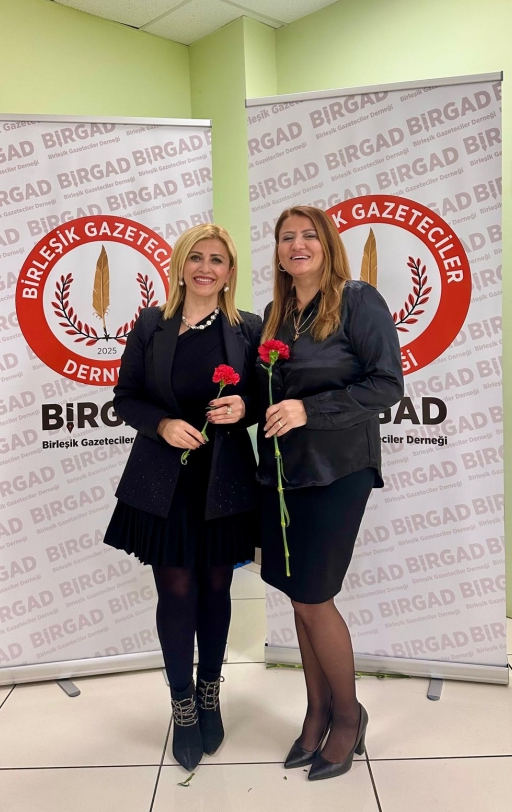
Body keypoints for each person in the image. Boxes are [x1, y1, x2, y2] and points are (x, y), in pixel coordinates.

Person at [105, 224, 262, 771]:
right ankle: (183, 706)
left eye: (217, 259)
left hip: (225, 480)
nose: (205, 268)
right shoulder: (151, 324)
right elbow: (126, 397)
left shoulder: (249, 328)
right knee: (175, 591)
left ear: (230, 271)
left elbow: (266, 396)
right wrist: (163, 424)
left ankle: (210, 691)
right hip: (162, 479)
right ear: (180, 265)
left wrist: (245, 407)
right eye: (196, 257)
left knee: (217, 588)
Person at [257, 205, 404, 781]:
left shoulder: (358, 300)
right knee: (299, 598)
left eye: (308, 236)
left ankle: (348, 716)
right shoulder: (278, 313)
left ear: (327, 244)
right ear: (277, 251)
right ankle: (316, 711)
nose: (297, 245)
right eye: (286, 238)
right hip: (285, 472)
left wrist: (308, 410)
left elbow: (386, 384)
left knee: (315, 598)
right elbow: (271, 388)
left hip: (340, 469)